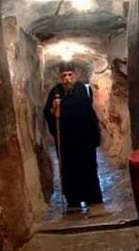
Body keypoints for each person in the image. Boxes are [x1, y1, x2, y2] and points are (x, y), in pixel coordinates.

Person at [43, 62, 102, 211]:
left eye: (70, 75)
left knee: (88, 168)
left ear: (74, 75)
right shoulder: (55, 92)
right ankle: (74, 199)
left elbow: (90, 113)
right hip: (66, 141)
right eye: (64, 76)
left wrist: (95, 136)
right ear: (60, 77)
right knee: (69, 171)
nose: (67, 79)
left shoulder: (82, 89)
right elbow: (48, 113)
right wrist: (53, 110)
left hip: (84, 139)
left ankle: (92, 197)